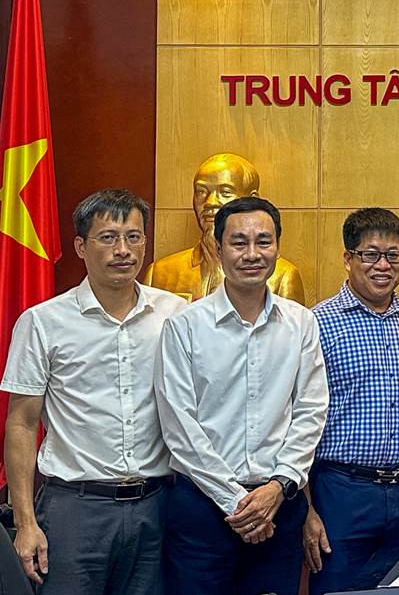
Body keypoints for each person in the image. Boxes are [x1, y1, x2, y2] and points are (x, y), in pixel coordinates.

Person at [2, 190, 186, 595]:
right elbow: (21, 424)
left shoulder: (176, 315)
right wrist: (25, 522)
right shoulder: (43, 322)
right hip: (75, 510)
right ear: (81, 246)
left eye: (134, 237)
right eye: (108, 237)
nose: (123, 250)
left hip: (156, 505)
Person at [155, 197, 329, 595]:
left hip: (279, 506)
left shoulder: (301, 322)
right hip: (202, 510)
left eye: (263, 241)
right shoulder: (184, 326)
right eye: (239, 242)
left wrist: (278, 487)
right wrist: (237, 501)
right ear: (218, 249)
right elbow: (179, 426)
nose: (252, 254)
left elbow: (310, 410)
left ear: (277, 247)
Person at [305, 207, 399, 594]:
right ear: (348, 258)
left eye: (393, 255)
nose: (383, 265)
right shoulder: (316, 324)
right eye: (370, 254)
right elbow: (293, 421)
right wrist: (306, 509)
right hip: (342, 493)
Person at [143, 153, 305, 303]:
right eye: (201, 192)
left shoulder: (282, 277)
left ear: (251, 199)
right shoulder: (159, 273)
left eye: (225, 192)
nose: (210, 202)